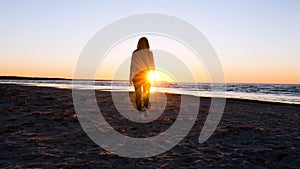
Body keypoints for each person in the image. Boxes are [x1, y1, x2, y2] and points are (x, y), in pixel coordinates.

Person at [129, 37, 155, 111]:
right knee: (146, 93)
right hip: (146, 75)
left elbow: (132, 66)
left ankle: (139, 108)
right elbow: (152, 65)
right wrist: (154, 76)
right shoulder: (149, 53)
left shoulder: (135, 52)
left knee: (138, 94)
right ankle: (145, 107)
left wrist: (130, 77)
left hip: (138, 75)